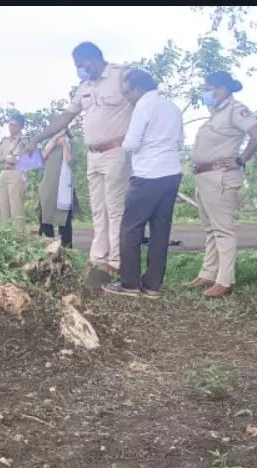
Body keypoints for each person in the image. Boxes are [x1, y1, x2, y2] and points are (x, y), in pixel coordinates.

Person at [28, 42, 134, 274]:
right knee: (98, 208)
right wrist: (37, 138)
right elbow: (65, 117)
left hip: (117, 151)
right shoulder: (84, 87)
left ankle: (116, 260)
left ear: (94, 60)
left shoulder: (122, 76)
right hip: (93, 155)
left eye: (81, 65)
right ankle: (98, 256)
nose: (79, 70)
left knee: (115, 208)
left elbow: (142, 103)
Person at [184, 71, 257, 298]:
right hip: (204, 177)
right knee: (210, 229)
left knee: (223, 230)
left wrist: (241, 159)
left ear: (222, 89)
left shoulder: (235, 110)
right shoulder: (215, 114)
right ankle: (208, 274)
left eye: (208, 88)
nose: (205, 93)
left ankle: (225, 280)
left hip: (221, 177)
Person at [102, 69, 184, 298]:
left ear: (138, 89)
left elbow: (131, 143)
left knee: (130, 228)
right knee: (160, 230)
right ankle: (152, 285)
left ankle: (129, 283)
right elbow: (179, 140)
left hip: (148, 174)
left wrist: (121, 141)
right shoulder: (172, 106)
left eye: (128, 92)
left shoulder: (144, 106)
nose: (127, 97)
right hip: (171, 173)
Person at [37, 129, 77, 246]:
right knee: (45, 219)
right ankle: (47, 249)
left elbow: (71, 161)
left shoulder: (71, 143)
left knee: (64, 221)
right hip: (47, 186)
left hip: (63, 188)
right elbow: (41, 158)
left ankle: (67, 250)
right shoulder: (47, 143)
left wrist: (64, 144)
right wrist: (53, 142)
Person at [0, 113, 28, 230]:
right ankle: (5, 233)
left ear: (21, 127)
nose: (11, 127)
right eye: (10, 125)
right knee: (4, 206)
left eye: (14, 125)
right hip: (4, 172)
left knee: (16, 207)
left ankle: (19, 235)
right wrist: (8, 159)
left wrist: (12, 159)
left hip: (17, 173)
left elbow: (24, 158)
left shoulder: (25, 141)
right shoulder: (5, 141)